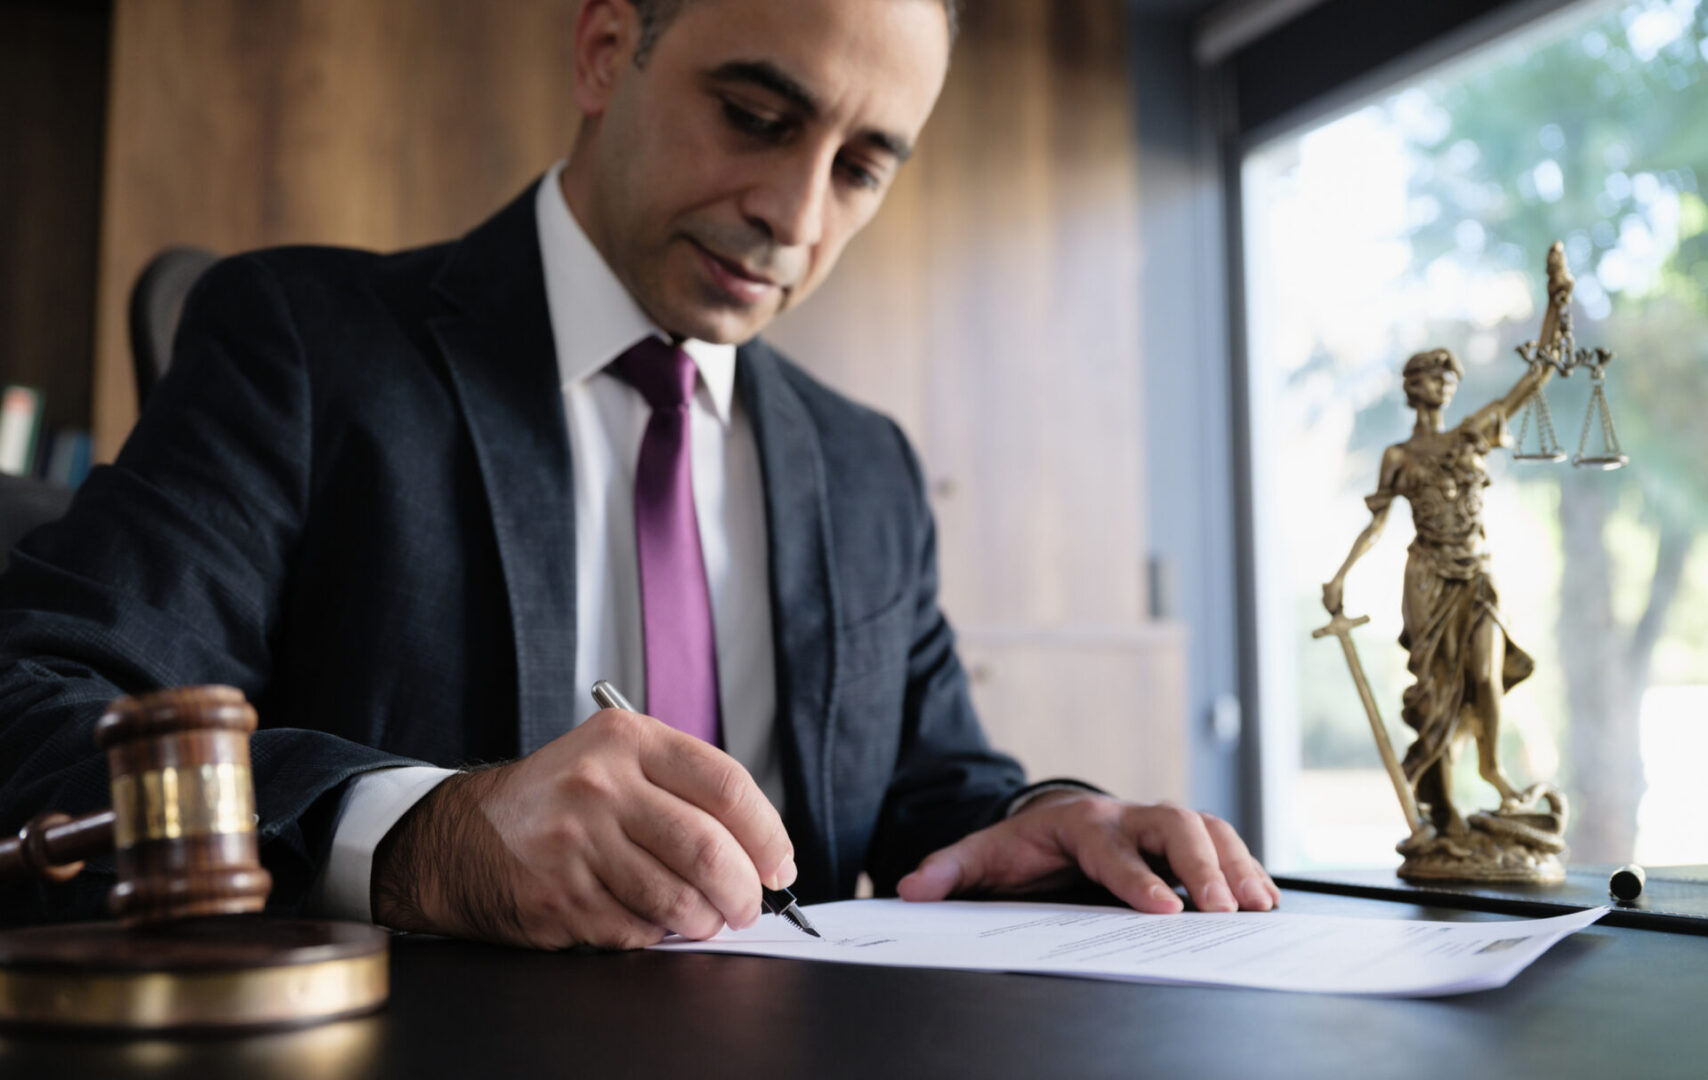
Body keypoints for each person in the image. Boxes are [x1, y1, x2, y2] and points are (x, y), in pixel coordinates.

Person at [0, 0, 1277, 948]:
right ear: (607, 47)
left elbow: (930, 792)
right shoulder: (299, 342)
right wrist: (423, 837)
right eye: (756, 117)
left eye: (861, 164)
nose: (796, 212)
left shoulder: (865, 465)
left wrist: (1049, 817)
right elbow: (33, 710)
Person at [1322, 346, 1552, 841]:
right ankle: (1443, 806)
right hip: (1427, 579)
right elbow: (1377, 524)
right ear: (1412, 386)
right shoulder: (1400, 456)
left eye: (1450, 375)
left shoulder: (1470, 434)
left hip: (1476, 574)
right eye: (1432, 374)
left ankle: (1492, 769)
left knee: (1487, 674)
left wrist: (1558, 299)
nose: (1444, 382)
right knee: (1437, 691)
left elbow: (1533, 381)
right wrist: (1342, 574)